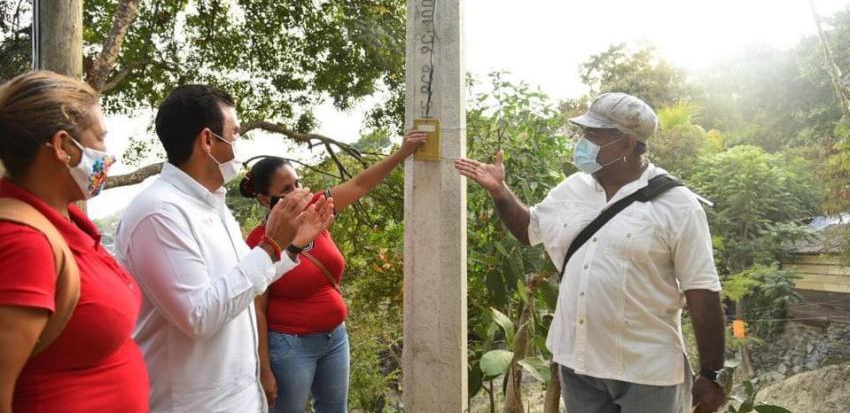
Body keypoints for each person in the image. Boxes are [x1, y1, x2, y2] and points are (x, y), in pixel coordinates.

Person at [455, 92, 727, 413]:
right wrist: (500, 192)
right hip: (579, 366)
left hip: (647, 373)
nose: (582, 142)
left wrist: (711, 374)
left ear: (627, 144)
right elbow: (529, 230)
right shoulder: (573, 188)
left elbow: (702, 290)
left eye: (594, 135)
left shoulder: (678, 206)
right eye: (583, 133)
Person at [114, 85, 334, 413]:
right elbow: (198, 316)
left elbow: (243, 283)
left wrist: (292, 246)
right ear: (207, 140)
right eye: (234, 133)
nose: (239, 145)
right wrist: (271, 244)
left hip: (238, 398)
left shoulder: (213, 205)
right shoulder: (159, 213)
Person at [239, 130, 426, 412]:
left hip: (335, 338)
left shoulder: (318, 209)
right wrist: (264, 369)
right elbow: (257, 311)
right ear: (265, 200)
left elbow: (360, 184)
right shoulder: (258, 243)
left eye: (297, 182)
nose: (298, 192)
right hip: (291, 346)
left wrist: (402, 153)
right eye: (286, 189)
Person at [0, 71, 148, 412]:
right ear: (64, 146)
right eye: (100, 137)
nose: (108, 153)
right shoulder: (24, 242)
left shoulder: (68, 221)